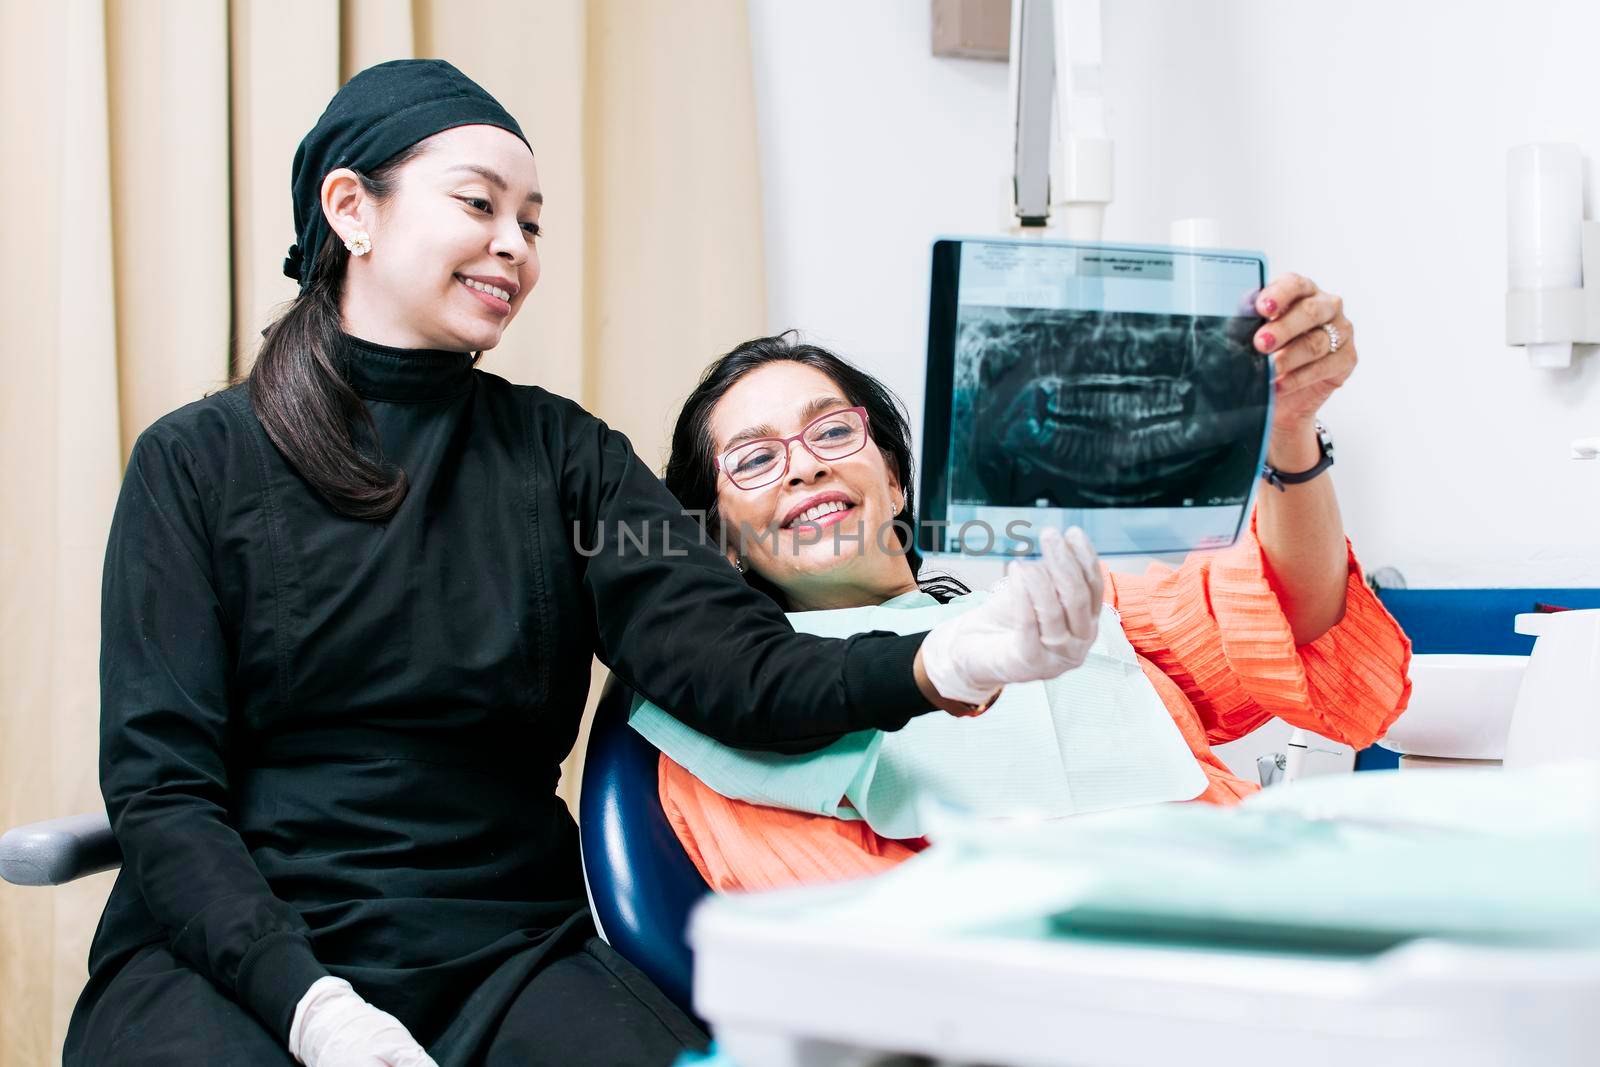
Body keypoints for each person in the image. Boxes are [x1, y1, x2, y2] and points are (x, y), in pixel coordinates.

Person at [63, 60, 1102, 1067]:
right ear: (352, 208)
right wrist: (311, 1006)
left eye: (532, 221)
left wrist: (952, 657)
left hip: (500, 951)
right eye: (479, 204)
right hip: (237, 957)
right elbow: (163, 791)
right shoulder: (195, 461)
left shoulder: (561, 459)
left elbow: (740, 669)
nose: (513, 245)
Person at [656, 315, 1413, 894]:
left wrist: (1289, 429)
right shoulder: (731, 714)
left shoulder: (1070, 611)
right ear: (723, 541)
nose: (806, 465)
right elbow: (864, 949)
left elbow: (1295, 605)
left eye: (831, 430)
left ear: (892, 479)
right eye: (755, 458)